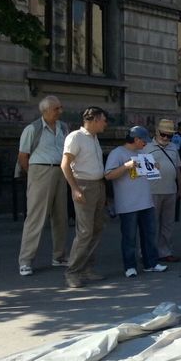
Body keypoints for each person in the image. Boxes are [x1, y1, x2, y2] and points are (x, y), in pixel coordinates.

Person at [17, 95, 70, 276]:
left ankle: (59, 256)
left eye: (60, 107)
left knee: (61, 216)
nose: (60, 111)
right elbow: (23, 156)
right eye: (57, 108)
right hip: (40, 170)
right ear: (45, 111)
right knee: (36, 217)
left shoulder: (63, 127)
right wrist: (32, 173)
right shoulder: (33, 129)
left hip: (60, 171)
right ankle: (25, 260)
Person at [105, 126, 168, 277]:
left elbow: (148, 173)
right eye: (143, 141)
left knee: (149, 235)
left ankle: (151, 263)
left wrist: (154, 167)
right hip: (128, 204)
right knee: (129, 237)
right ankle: (130, 266)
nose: (145, 144)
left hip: (146, 201)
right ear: (136, 139)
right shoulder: (117, 153)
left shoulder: (142, 153)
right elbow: (108, 175)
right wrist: (126, 166)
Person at [61, 106, 109, 288]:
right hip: (83, 185)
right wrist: (74, 188)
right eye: (103, 120)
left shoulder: (94, 137)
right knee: (85, 231)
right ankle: (72, 272)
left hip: (97, 185)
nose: (105, 124)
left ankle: (86, 268)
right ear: (95, 120)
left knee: (97, 228)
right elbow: (65, 164)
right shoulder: (75, 137)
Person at [145, 119, 181, 262]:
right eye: (163, 134)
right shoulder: (147, 147)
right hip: (152, 191)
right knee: (151, 224)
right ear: (157, 132)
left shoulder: (173, 147)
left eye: (169, 135)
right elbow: (139, 172)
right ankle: (147, 253)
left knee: (168, 224)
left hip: (171, 191)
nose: (166, 138)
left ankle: (165, 252)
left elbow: (178, 169)